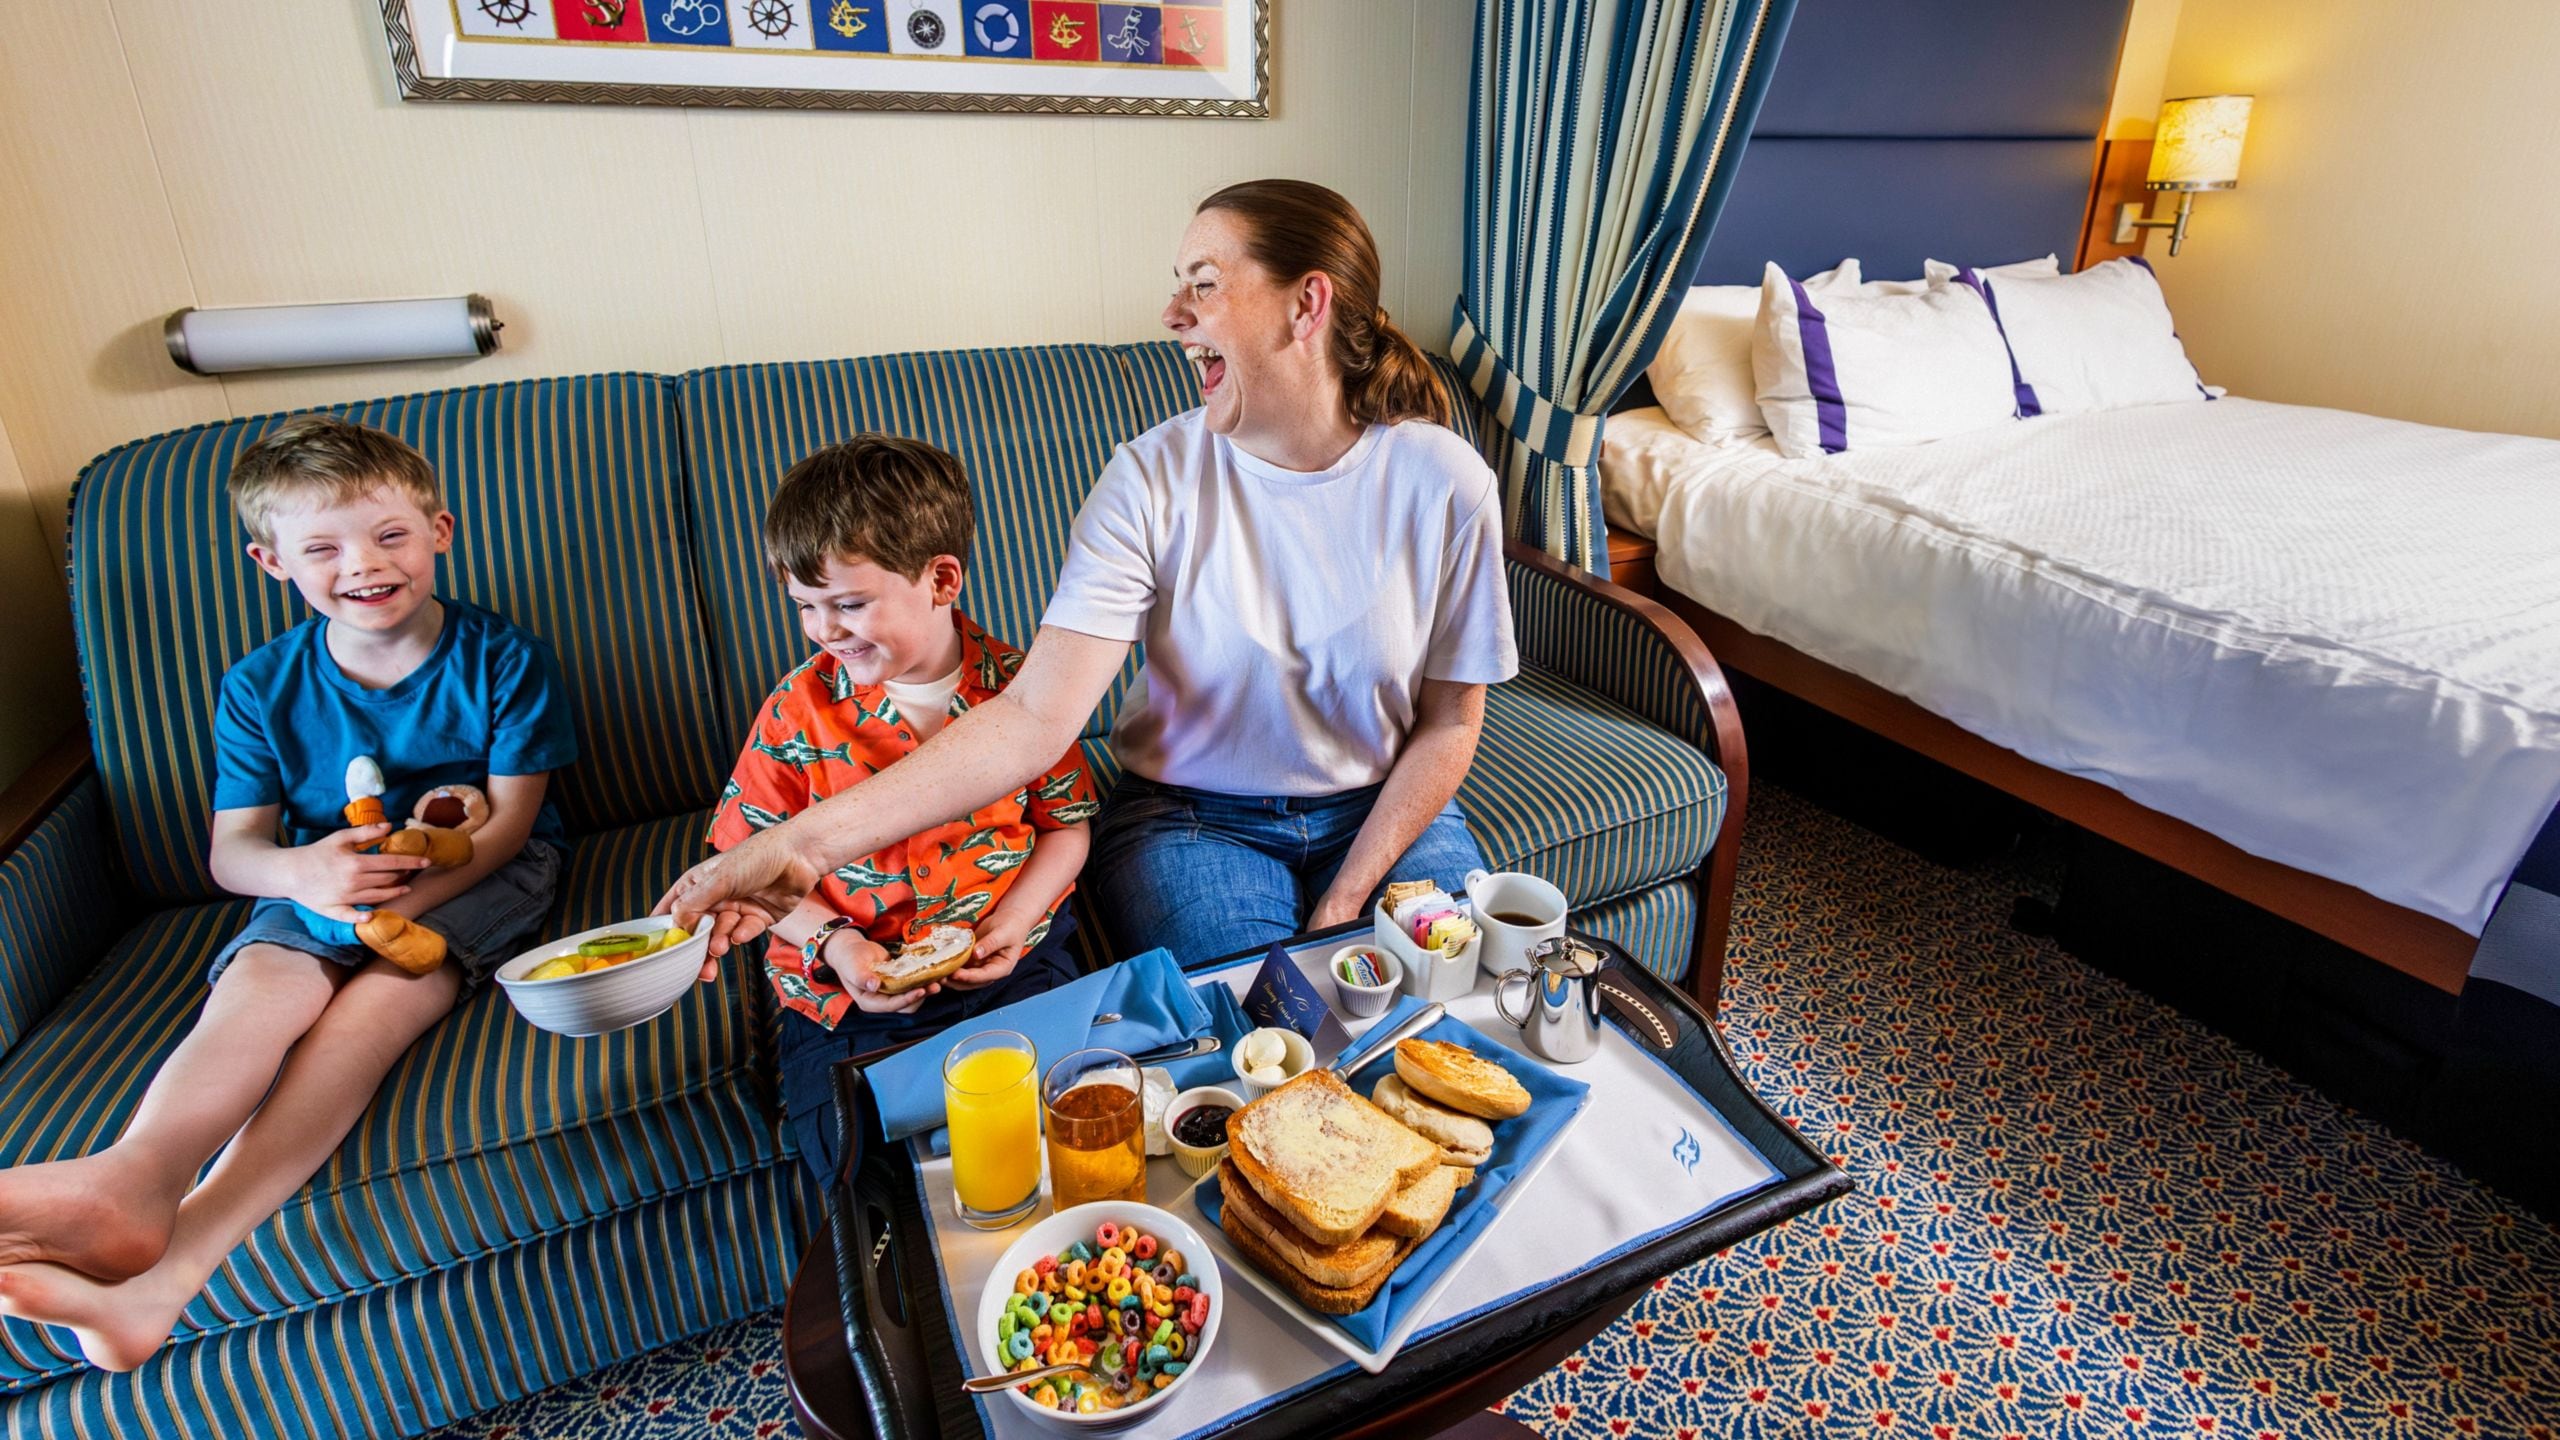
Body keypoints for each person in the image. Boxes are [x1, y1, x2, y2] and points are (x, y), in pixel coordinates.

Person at [664, 178, 1516, 969]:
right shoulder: (1150, 478)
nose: (1172, 312)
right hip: (1194, 821)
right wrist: (800, 846)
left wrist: (1346, 901)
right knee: (1261, 1037)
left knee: (1462, 1019)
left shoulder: (1444, 482)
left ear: (1308, 303)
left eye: (1203, 284)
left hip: (1384, 814)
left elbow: (1449, 724)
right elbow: (1036, 716)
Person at [0, 416, 574, 1371]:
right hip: (323, 875)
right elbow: (236, 854)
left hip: (477, 875)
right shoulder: (259, 687)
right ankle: (135, 1186)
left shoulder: (504, 658)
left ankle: (162, 1266)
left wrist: (401, 911)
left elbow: (510, 826)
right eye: (324, 548)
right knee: (257, 995)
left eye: (390, 534)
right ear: (271, 562)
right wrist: (311, 878)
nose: (365, 564)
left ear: (441, 530)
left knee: (364, 1023)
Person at [705, 436, 1097, 1183]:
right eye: (805, 607)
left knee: (1070, 1134)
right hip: (845, 1000)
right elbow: (745, 869)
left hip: (1012, 966)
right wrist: (840, 947)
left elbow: (1066, 829)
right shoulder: (795, 713)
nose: (824, 629)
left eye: (848, 604)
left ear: (942, 579)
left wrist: (1013, 925)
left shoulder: (1024, 690)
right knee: (863, 1180)